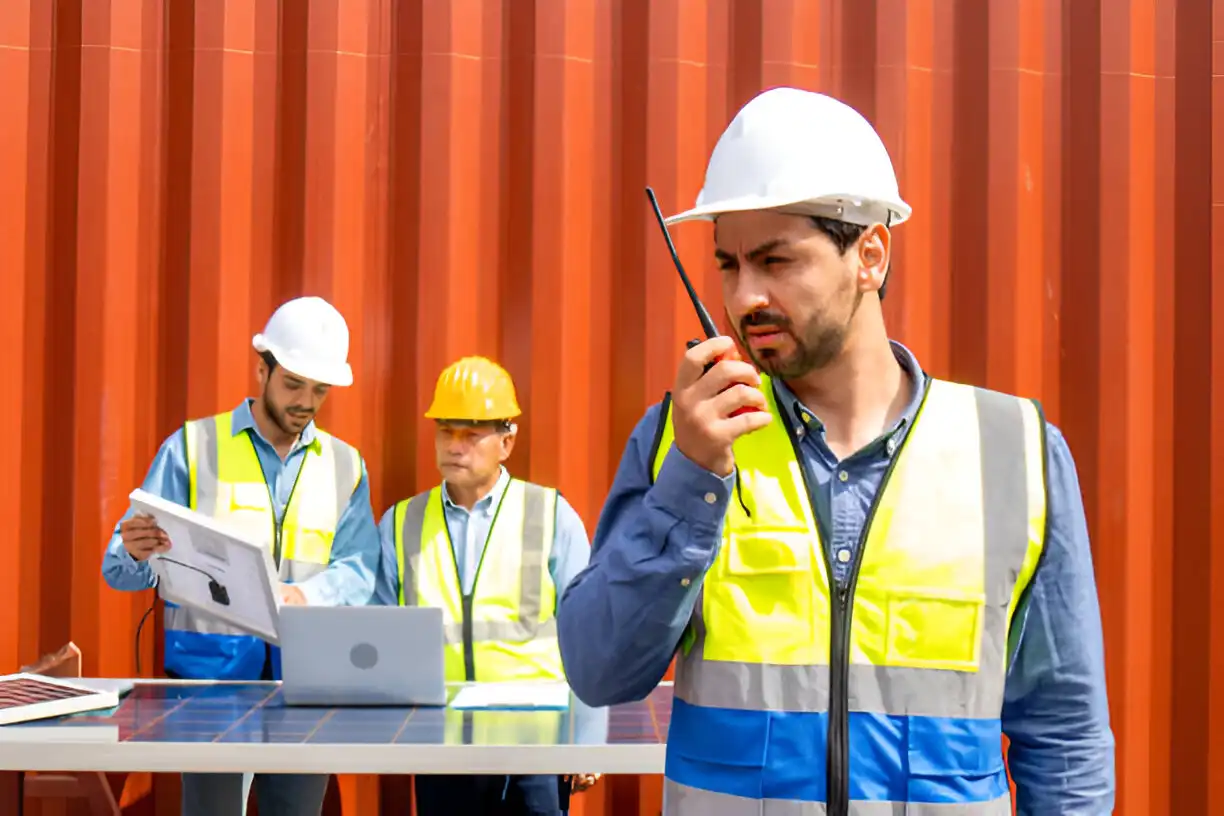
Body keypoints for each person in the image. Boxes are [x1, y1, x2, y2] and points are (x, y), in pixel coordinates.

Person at [556, 87, 1116, 815]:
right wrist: (689, 483)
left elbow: (1064, 738)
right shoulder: (681, 443)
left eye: (776, 260)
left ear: (870, 256)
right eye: (727, 264)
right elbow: (599, 671)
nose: (745, 294)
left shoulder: (1014, 453)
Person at [101, 295, 381, 816]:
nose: (305, 401)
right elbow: (117, 568)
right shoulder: (193, 448)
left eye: (319, 390)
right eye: (293, 384)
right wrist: (136, 552)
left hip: (304, 684)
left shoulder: (346, 465)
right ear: (262, 369)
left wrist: (306, 595)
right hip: (208, 686)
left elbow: (361, 568)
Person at [372, 356, 599, 816]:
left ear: (506, 441)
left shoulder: (550, 516)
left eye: (472, 433)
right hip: (440, 743)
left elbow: (590, 636)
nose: (456, 445)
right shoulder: (401, 523)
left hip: (535, 743)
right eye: (446, 431)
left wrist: (587, 739)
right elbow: (375, 637)